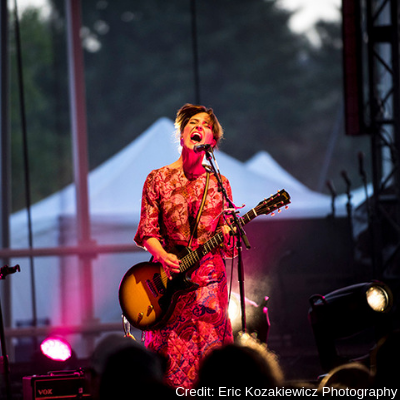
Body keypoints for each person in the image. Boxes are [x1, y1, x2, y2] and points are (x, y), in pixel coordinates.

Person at [134, 103, 237, 389]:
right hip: (169, 289)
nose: (199, 127)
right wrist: (162, 255)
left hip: (209, 292)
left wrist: (229, 233)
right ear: (181, 135)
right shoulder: (158, 179)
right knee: (171, 369)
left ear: (212, 141)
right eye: (193, 123)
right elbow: (147, 231)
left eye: (206, 125)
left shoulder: (220, 184)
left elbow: (229, 249)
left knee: (214, 371)